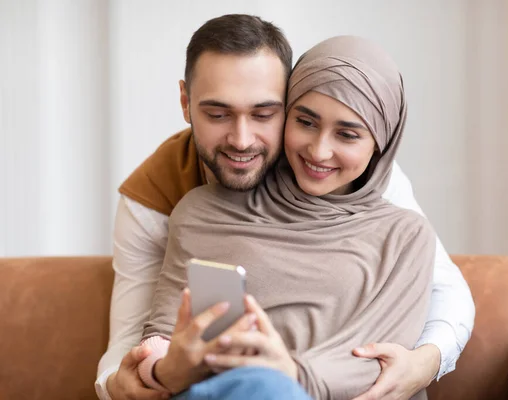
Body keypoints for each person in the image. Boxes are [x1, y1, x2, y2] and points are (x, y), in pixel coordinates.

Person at [95, 14, 475, 400]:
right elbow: (140, 334)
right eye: (217, 113)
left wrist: (425, 362)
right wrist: (146, 375)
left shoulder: (372, 189)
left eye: (263, 114)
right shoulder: (172, 202)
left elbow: (445, 294)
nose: (242, 140)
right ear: (185, 103)